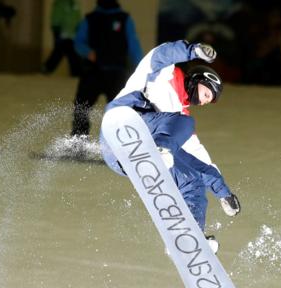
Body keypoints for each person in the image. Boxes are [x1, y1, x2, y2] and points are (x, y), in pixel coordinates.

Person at [100, 40, 241, 251]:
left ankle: (190, 236)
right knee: (183, 124)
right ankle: (161, 151)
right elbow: (162, 53)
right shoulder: (165, 74)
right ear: (197, 80)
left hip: (122, 161)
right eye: (206, 95)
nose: (203, 102)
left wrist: (223, 192)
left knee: (193, 181)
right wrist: (193, 50)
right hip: (123, 122)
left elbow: (201, 161)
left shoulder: (180, 120)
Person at [71, 0, 143, 136]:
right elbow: (78, 42)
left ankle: (119, 146)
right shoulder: (90, 19)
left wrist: (142, 68)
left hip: (117, 73)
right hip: (92, 72)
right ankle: (78, 143)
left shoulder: (124, 19)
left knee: (119, 112)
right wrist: (87, 52)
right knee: (81, 107)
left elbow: (134, 46)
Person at [42, 0, 82, 76]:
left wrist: (79, 29)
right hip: (62, 33)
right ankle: (76, 73)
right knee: (61, 52)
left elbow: (78, 17)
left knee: (67, 53)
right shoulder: (59, 3)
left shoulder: (75, 4)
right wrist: (57, 31)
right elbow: (55, 17)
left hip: (73, 34)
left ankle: (47, 68)